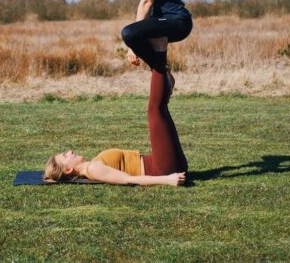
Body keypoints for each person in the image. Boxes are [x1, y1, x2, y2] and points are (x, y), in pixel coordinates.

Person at [43, 52, 188, 185]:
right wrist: (167, 180)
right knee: (155, 110)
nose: (70, 151)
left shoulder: (93, 164)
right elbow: (128, 179)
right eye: (65, 155)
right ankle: (158, 60)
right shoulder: (93, 169)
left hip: (164, 163)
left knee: (160, 108)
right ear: (68, 169)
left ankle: (159, 66)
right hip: (162, 169)